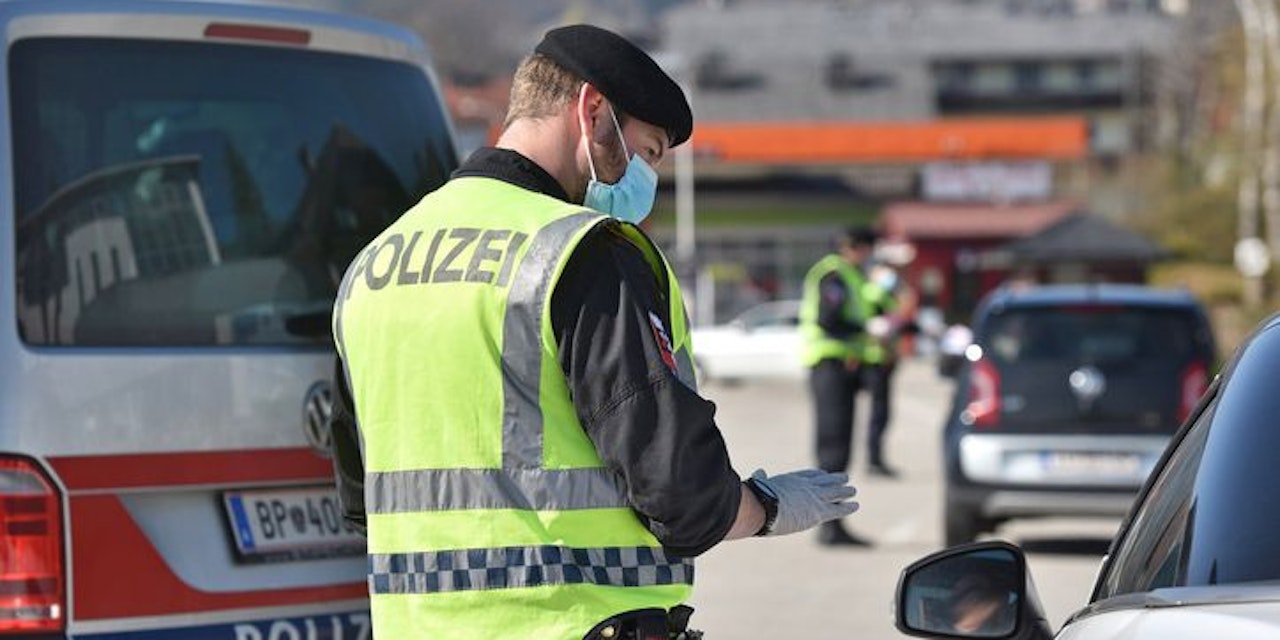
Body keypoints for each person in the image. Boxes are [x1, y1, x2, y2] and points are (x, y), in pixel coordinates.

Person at [328, 24, 860, 640]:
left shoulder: (375, 265)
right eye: (651, 152)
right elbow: (681, 494)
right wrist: (768, 507)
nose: (647, 180)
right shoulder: (578, 252)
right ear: (593, 110)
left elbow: (360, 500)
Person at [798, 226, 877, 546]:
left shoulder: (849, 275)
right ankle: (829, 527)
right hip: (830, 366)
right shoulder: (834, 275)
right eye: (867, 249)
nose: (870, 256)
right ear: (854, 247)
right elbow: (828, 319)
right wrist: (866, 328)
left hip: (841, 367)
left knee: (840, 448)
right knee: (832, 448)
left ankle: (834, 523)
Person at [858, 261, 908, 478]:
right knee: (879, 413)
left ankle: (876, 458)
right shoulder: (874, 294)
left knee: (882, 413)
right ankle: (874, 460)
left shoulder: (885, 296)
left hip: (884, 360)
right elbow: (878, 326)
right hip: (875, 360)